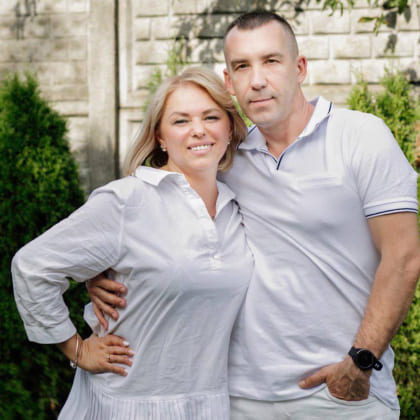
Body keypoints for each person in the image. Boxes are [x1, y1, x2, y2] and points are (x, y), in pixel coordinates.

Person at [88, 10, 420, 420]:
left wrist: (361, 361)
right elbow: (150, 219)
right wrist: (99, 270)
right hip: (239, 397)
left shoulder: (360, 136)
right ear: (229, 82)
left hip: (340, 394)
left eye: (271, 61)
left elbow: (404, 257)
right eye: (242, 66)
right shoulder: (225, 160)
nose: (257, 80)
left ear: (299, 68)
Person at [12, 66, 253, 419]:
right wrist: (77, 350)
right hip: (126, 405)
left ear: (229, 128)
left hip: (208, 405)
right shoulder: (127, 201)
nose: (198, 129)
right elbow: (32, 266)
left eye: (211, 117)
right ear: (160, 136)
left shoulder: (238, 205)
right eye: (181, 120)